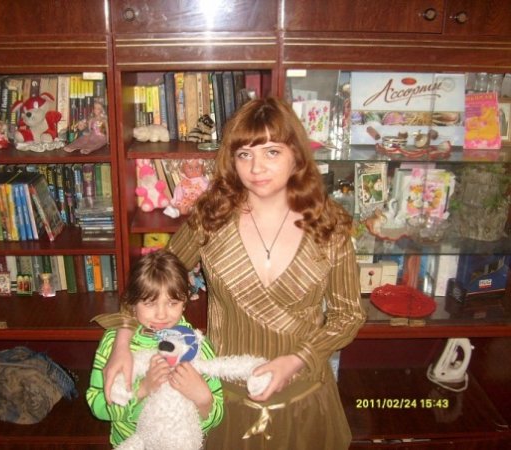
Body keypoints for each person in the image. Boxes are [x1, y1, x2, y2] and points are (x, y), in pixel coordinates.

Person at [101, 96, 366, 449]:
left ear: (296, 156)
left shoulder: (329, 226)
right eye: (244, 154)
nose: (256, 168)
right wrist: (121, 345)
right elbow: (151, 282)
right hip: (222, 396)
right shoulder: (210, 218)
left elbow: (348, 315)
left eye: (272, 152)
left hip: (303, 395)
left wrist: (296, 360)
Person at [86, 249, 224, 448]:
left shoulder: (198, 345)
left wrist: (204, 401)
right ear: (133, 303)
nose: (161, 314)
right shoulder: (112, 344)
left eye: (172, 303)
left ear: (185, 302)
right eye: (150, 303)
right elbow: (98, 405)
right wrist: (142, 389)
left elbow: (216, 416)